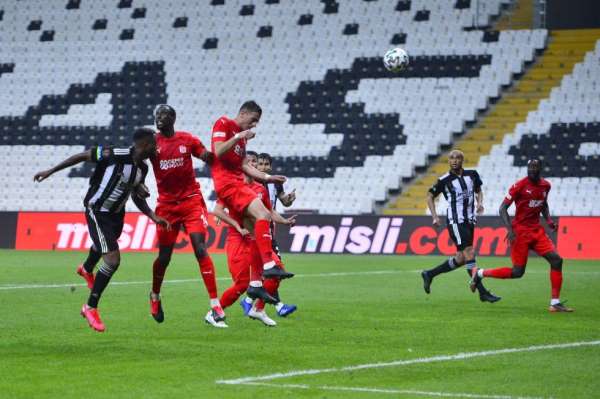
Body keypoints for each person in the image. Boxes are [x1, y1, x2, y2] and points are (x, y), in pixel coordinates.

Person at [33, 128, 170, 332]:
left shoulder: (143, 167)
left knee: (105, 243)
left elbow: (136, 195)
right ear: (144, 145)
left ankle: (86, 269)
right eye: (154, 144)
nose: (157, 148)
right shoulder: (114, 154)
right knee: (112, 260)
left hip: (117, 213)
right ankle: (90, 307)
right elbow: (81, 156)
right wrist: (50, 171)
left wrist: (151, 214)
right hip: (98, 209)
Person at [148, 104, 227, 328]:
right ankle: (154, 295)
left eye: (163, 114)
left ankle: (215, 303)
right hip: (166, 207)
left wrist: (218, 155)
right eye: (156, 115)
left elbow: (207, 157)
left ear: (173, 117)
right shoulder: (152, 143)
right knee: (164, 257)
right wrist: (138, 186)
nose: (159, 118)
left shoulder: (186, 140)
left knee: (199, 247)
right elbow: (137, 163)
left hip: (191, 201)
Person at [210, 101, 293, 305]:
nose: (254, 125)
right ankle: (268, 265)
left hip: (237, 183)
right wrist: (238, 136)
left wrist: (268, 178)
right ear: (243, 113)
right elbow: (218, 151)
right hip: (228, 184)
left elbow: (245, 167)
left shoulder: (242, 142)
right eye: (253, 120)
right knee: (263, 215)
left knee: (257, 234)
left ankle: (256, 285)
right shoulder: (223, 123)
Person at [469, 159, 573, 312]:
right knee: (517, 272)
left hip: (537, 231)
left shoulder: (546, 186)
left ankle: (555, 302)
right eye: (530, 167)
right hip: (520, 233)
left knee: (556, 260)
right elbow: (502, 208)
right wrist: (510, 229)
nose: (532, 169)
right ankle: (480, 273)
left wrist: (549, 221)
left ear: (540, 169)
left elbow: (543, 204)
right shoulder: (519, 186)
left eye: (535, 166)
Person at [214, 152, 296, 326]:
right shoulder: (232, 187)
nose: (253, 165)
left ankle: (258, 309)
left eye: (254, 162)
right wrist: (237, 226)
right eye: (250, 162)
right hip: (239, 238)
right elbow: (218, 210)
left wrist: (284, 221)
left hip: (257, 239)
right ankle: (215, 312)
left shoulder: (260, 189)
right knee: (242, 284)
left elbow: (269, 212)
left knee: (276, 272)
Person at [422, 150, 500, 303]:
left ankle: (429, 274)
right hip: (456, 221)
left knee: (461, 258)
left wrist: (479, 203)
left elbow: (479, 191)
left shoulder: (472, 174)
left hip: (470, 220)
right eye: (451, 158)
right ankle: (482, 292)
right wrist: (435, 216)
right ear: (448, 161)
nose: (454, 160)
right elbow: (429, 196)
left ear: (462, 160)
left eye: (457, 158)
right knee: (469, 253)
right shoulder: (444, 180)